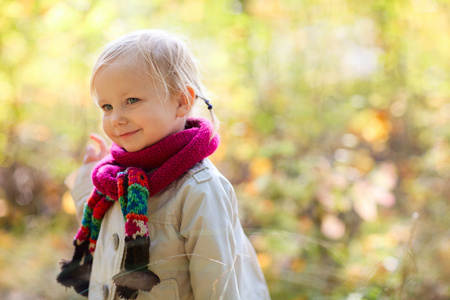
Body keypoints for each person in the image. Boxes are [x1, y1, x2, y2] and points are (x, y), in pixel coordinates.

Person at [57, 29, 270, 300]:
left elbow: (218, 289)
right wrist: (89, 173)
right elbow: (105, 231)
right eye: (107, 107)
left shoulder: (199, 189)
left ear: (182, 101)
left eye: (131, 101)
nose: (116, 118)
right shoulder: (116, 179)